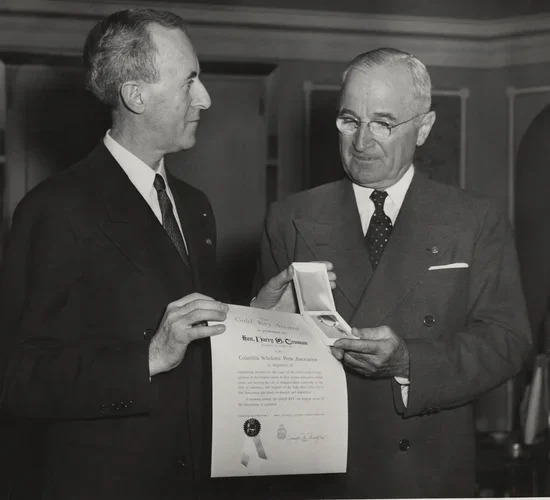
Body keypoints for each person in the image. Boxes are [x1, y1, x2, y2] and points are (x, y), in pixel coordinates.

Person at [0, 9, 334, 500]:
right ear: (136, 95)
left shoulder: (194, 206)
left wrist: (255, 318)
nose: (206, 98)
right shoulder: (53, 210)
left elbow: (198, 340)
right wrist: (150, 356)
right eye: (190, 81)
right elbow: (20, 379)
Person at [258, 47, 532, 498]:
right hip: (320, 474)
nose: (362, 142)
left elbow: (508, 341)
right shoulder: (290, 217)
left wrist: (410, 362)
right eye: (349, 121)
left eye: (383, 124)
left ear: (423, 128)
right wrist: (260, 318)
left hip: (425, 475)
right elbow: (263, 368)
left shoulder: (474, 220)